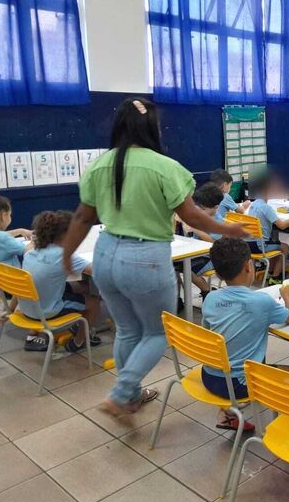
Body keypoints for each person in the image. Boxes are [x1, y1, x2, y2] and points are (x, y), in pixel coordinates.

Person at [62, 97, 247, 417]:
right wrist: (227, 229)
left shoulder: (101, 164)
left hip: (104, 255)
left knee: (128, 330)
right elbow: (194, 217)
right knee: (157, 332)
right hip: (145, 259)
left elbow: (81, 219)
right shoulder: (165, 167)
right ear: (152, 128)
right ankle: (121, 394)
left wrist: (66, 255)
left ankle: (130, 392)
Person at [202, 237, 289, 430]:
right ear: (249, 267)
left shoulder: (210, 298)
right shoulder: (261, 301)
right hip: (238, 384)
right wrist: (287, 297)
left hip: (209, 375)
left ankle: (228, 415)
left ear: (218, 275)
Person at [0, 191, 48, 351]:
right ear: (3, 216)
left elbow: (3, 236)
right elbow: (27, 250)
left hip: (1, 282)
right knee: (43, 287)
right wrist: (38, 239)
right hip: (15, 286)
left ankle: (8, 312)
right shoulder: (2, 239)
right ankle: (33, 334)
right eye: (10, 214)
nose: (10, 217)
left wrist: (21, 231)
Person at [19, 211, 101, 352]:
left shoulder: (31, 251)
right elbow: (97, 271)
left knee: (81, 287)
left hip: (25, 308)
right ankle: (79, 341)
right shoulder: (65, 255)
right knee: (94, 301)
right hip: (46, 312)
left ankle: (77, 322)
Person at [247, 172, 289, 285]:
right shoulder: (266, 208)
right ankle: (275, 277)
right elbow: (283, 226)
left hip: (249, 244)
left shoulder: (253, 204)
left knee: (275, 244)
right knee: (284, 247)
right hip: (261, 246)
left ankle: (270, 271)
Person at [175, 182, 224, 309]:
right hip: (198, 251)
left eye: (202, 209)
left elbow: (214, 243)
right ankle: (176, 298)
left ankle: (207, 291)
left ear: (216, 207)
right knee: (174, 265)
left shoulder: (217, 221)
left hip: (213, 256)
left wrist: (195, 229)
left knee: (186, 267)